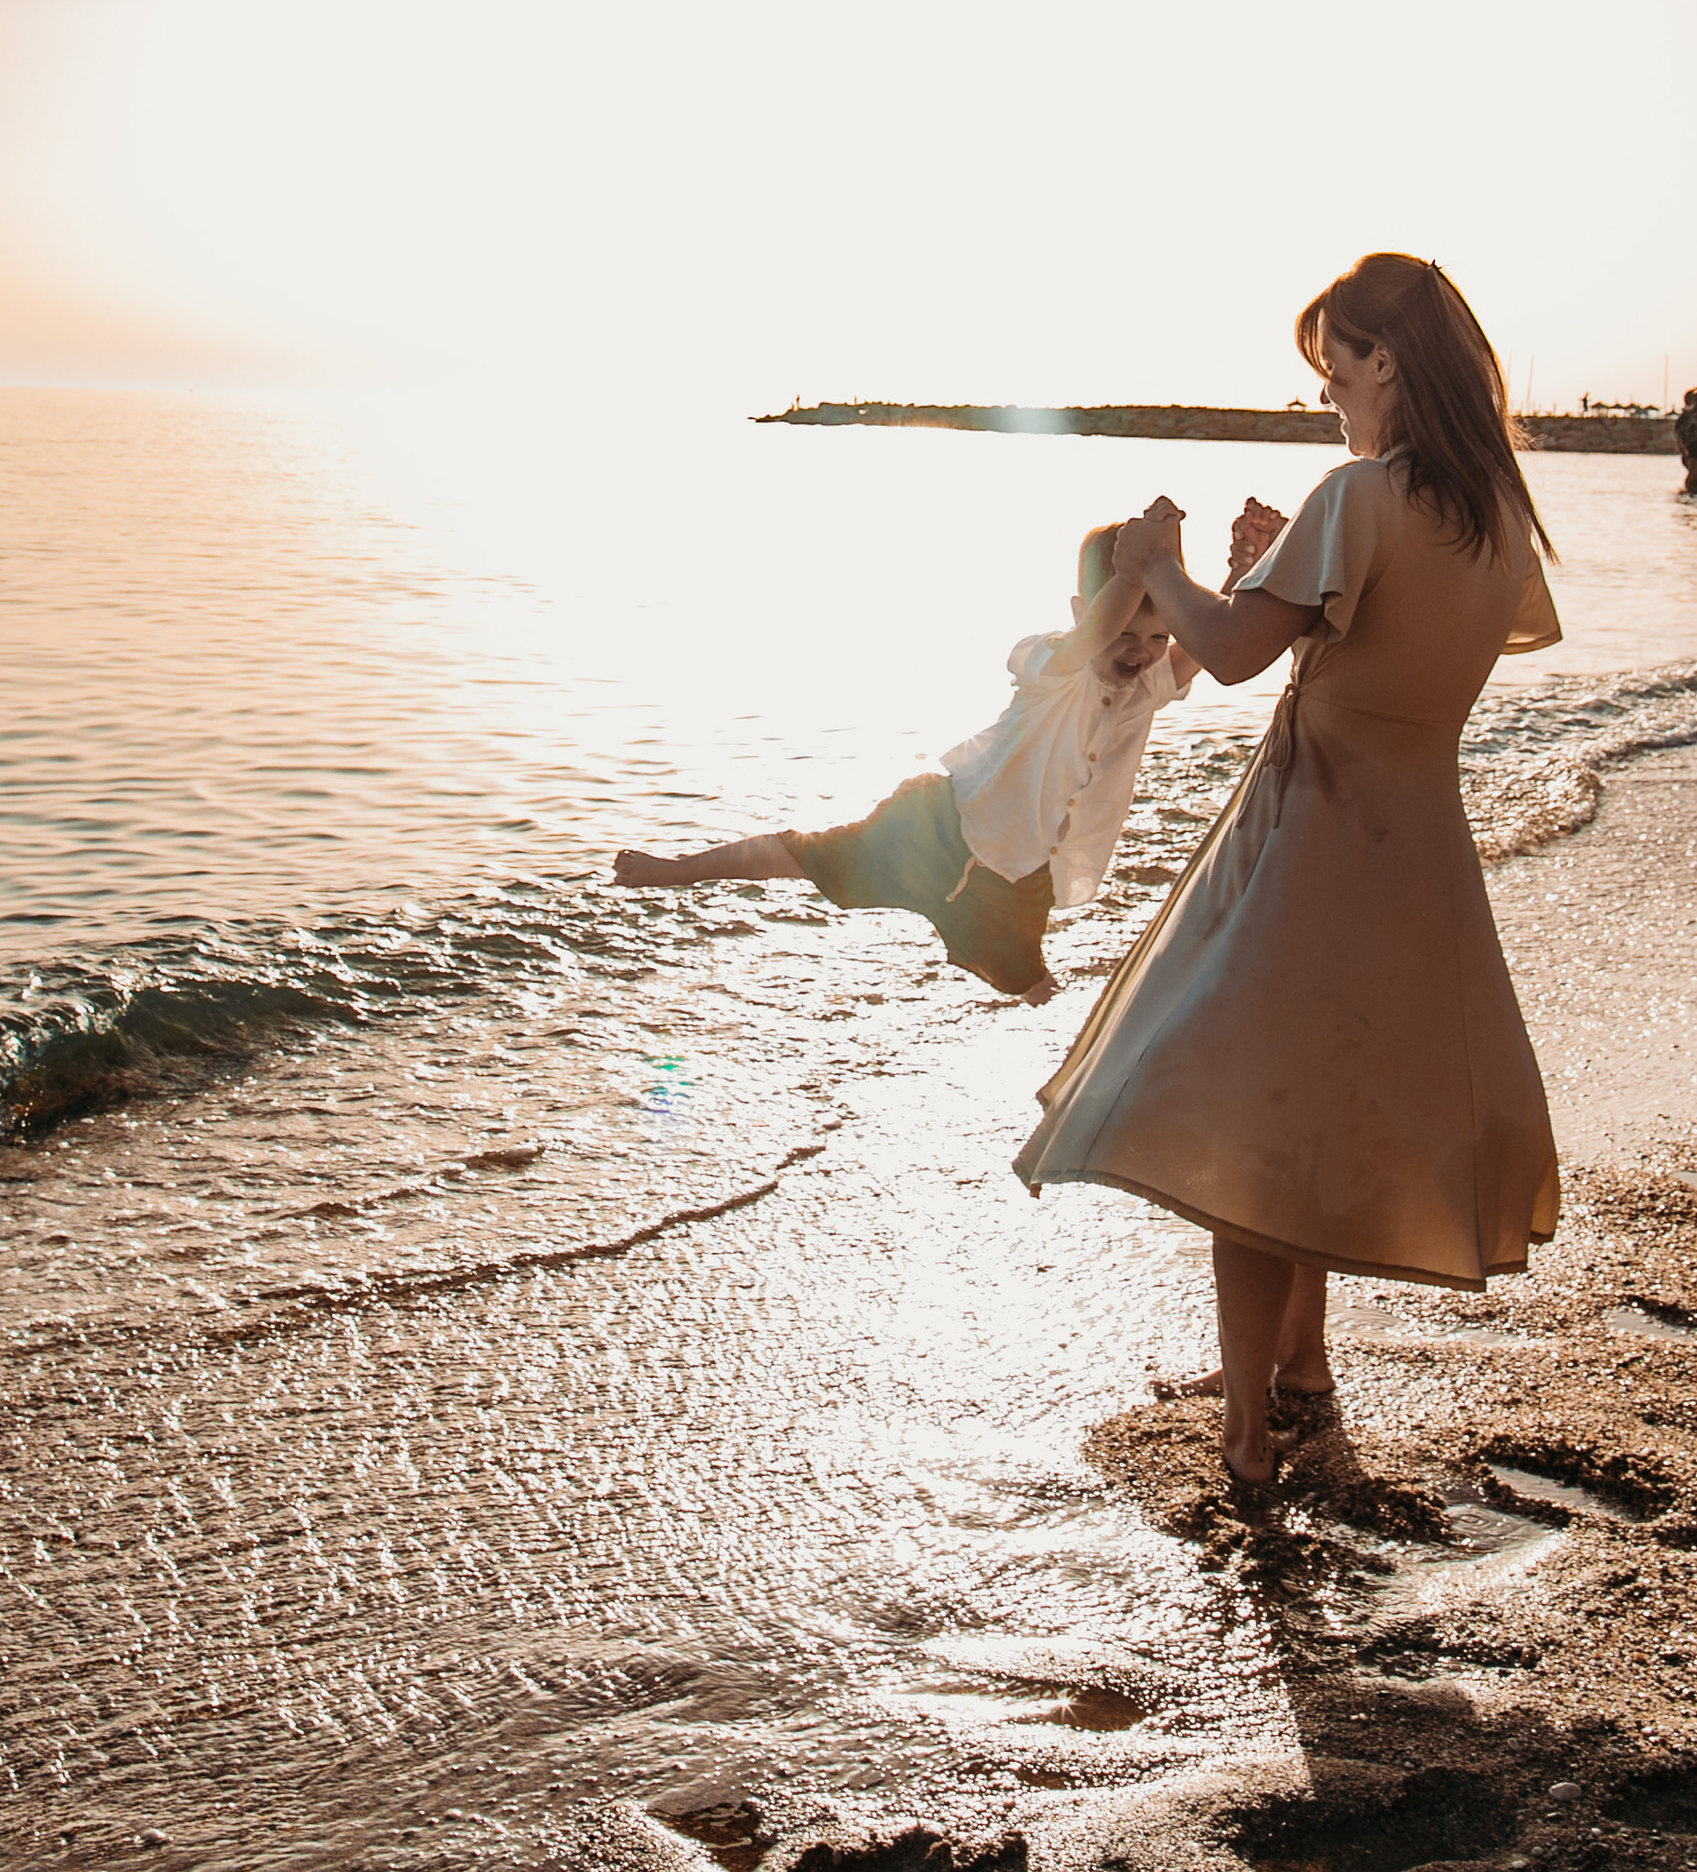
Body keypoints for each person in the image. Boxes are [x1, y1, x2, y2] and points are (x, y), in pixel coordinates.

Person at [1015, 255, 1564, 1498]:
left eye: (1335, 372)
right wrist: (1275, 573)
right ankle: (1298, 1368)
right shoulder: (1493, 515)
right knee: (1309, 1112)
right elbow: (1380, 641)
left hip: (1313, 837)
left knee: (1253, 1125)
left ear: (1385, 360)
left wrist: (1156, 567)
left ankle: (1248, 1440)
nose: (1330, 401)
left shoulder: (1357, 492)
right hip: (1419, 848)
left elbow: (1231, 654)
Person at [612, 517, 1245, 999]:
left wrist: (1244, 567)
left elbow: (1205, 640)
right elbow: (1092, 640)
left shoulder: (1146, 686)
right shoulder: (1055, 663)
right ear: (1085, 615)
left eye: (1157, 637)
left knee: (1029, 988)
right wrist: (1143, 564)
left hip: (1021, 874)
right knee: (807, 855)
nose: (1143, 651)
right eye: (1127, 633)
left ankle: (1029, 1038)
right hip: (944, 826)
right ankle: (678, 869)